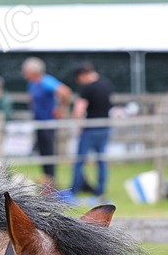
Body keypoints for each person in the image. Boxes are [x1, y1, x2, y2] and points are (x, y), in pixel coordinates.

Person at [21, 57, 72, 187]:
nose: (23, 73)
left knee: (49, 153)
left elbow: (65, 91)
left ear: (34, 71)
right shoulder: (32, 84)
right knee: (42, 153)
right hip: (38, 122)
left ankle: (52, 183)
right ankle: (47, 182)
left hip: (48, 123)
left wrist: (61, 109)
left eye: (26, 70)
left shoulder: (46, 81)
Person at [70, 63, 114, 198]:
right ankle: (101, 191)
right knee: (101, 160)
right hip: (105, 126)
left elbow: (79, 108)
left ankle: (74, 190)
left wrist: (78, 124)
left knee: (80, 160)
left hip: (90, 128)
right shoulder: (106, 84)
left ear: (82, 75)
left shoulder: (87, 88)